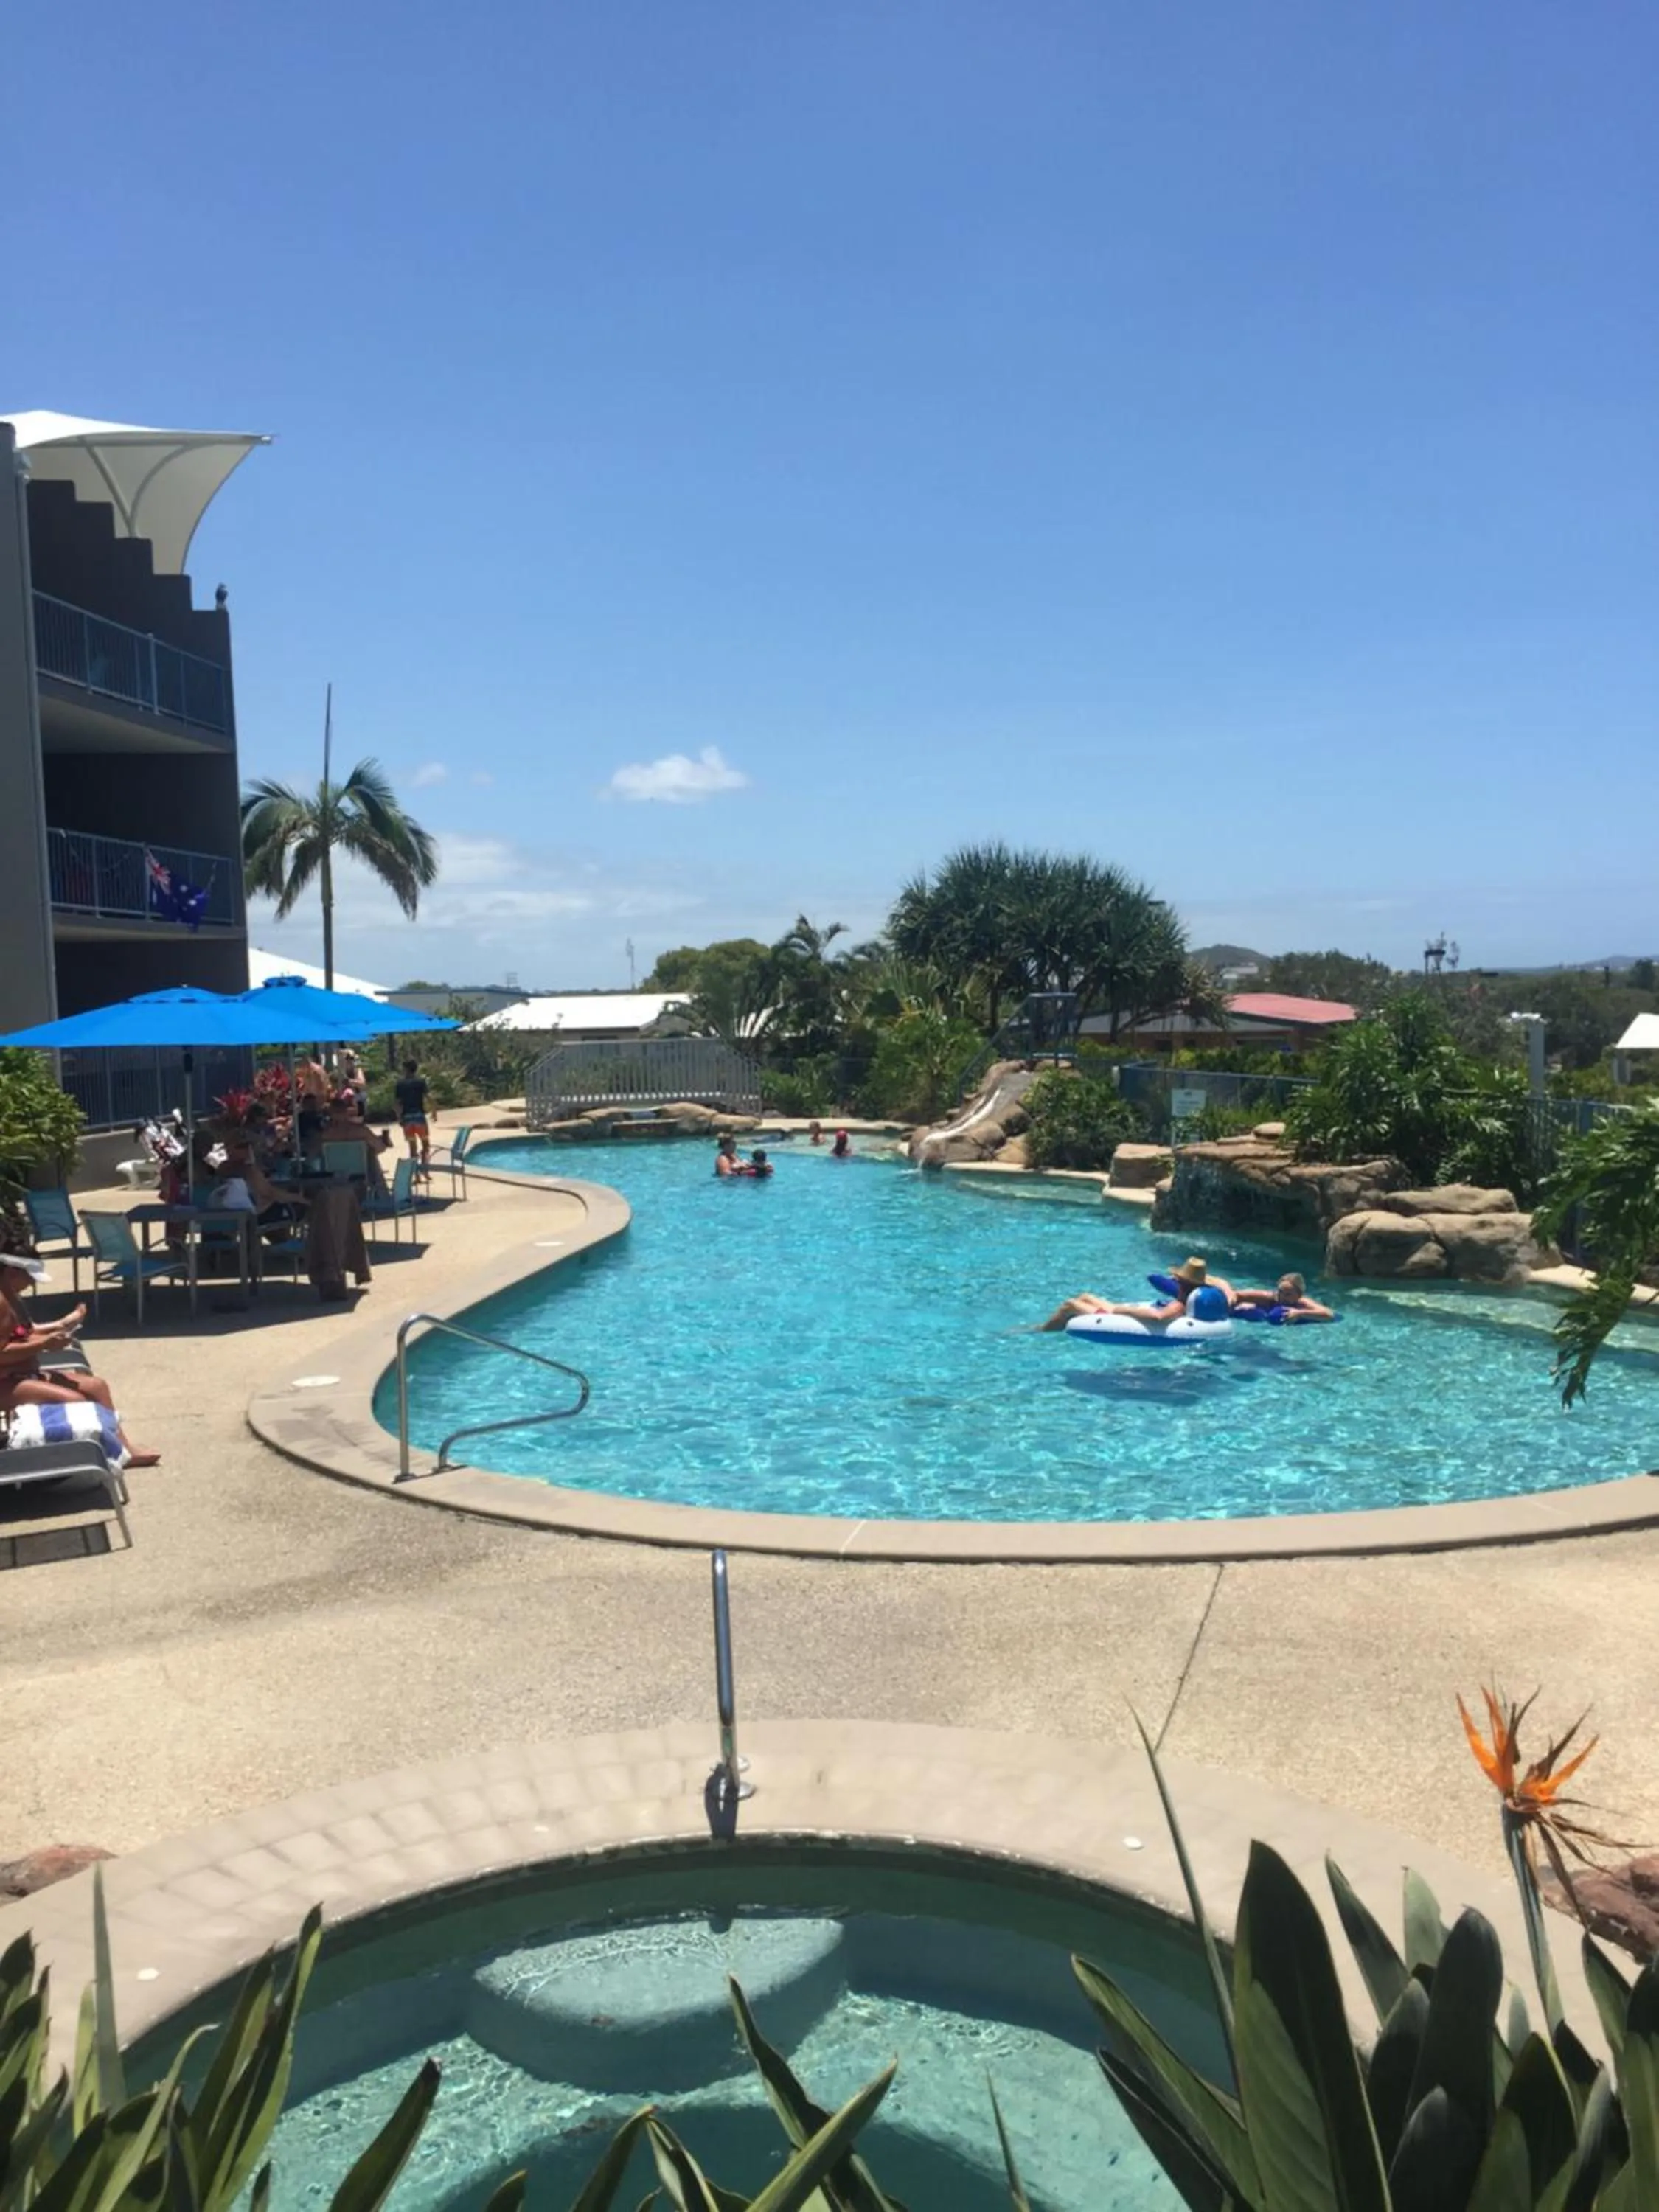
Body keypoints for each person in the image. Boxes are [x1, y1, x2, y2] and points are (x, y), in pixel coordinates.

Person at [0, 1253, 159, 1466]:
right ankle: (93, 1459)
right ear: (11, 1273)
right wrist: (45, 1344)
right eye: (29, 1278)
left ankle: (123, 1450)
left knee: (96, 1386)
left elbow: (22, 1334)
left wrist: (58, 1330)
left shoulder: (10, 1297)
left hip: (21, 1374)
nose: (31, 1284)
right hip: (6, 1380)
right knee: (76, 1401)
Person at [1039, 1256, 1235, 1332]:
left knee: (1070, 1305)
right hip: (1121, 1313)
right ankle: (1050, 1327)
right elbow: (1221, 1284)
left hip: (1117, 1318)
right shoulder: (1198, 1298)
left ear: (1183, 1283)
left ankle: (1043, 1331)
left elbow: (1158, 1317)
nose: (1174, 1281)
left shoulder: (1180, 1305)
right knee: (1085, 1296)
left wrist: (1121, 1310)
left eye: (1178, 1279)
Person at [1234, 1271, 1335, 1323]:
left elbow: (1329, 1314)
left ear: (1299, 1295)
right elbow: (1235, 1295)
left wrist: (1300, 1313)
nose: (1282, 1297)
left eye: (1288, 1294)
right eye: (1280, 1292)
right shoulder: (1269, 1298)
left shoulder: (1302, 1303)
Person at [394, 1059, 432, 1173]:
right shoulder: (420, 1082)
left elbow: (397, 1104)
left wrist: (399, 1117)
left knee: (412, 1147)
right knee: (425, 1144)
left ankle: (415, 1174)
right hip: (419, 1117)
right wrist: (434, 1111)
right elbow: (428, 1097)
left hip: (407, 1118)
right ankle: (425, 1169)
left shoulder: (400, 1084)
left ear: (406, 1069)